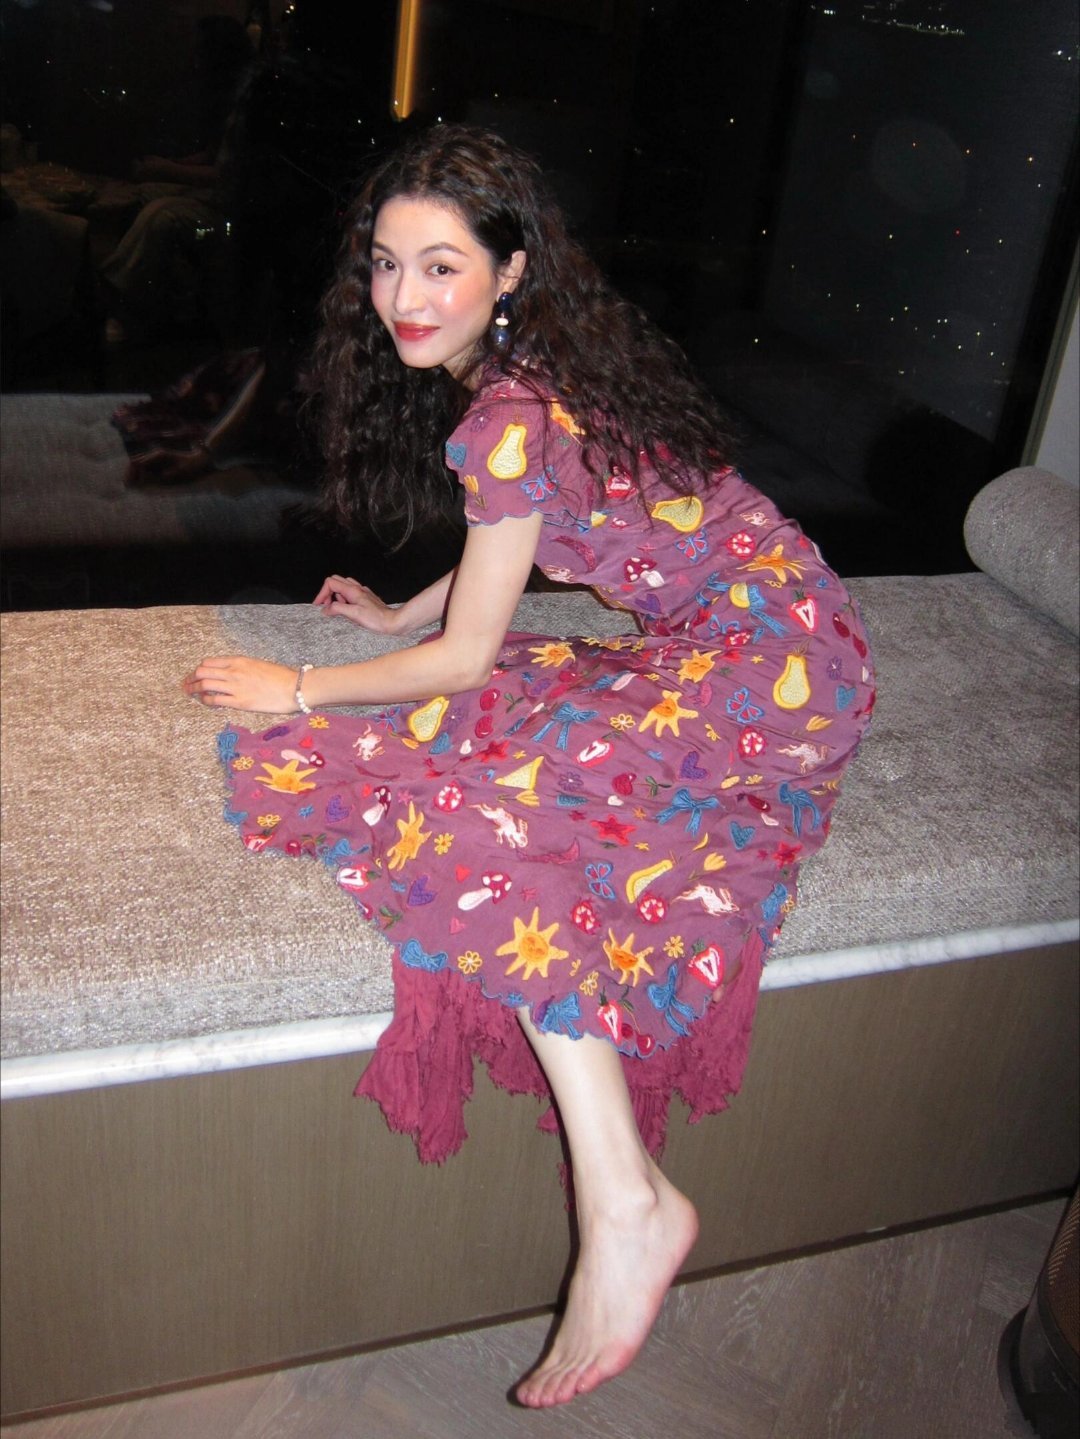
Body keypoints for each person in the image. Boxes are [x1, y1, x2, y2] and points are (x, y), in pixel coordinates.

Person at [183, 124, 875, 1409]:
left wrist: (305, 684)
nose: (404, 297)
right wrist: (403, 613)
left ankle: (628, 1203)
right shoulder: (537, 367)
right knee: (481, 744)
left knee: (487, 814)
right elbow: (523, 535)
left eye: (440, 265)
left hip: (762, 667)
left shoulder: (506, 408)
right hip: (781, 637)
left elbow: (468, 653)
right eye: (386, 263)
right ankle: (628, 1200)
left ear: (509, 271)